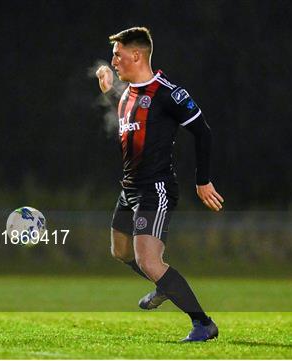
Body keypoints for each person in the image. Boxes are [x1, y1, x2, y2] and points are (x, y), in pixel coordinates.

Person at [95, 27, 224, 342]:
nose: (113, 61)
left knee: (149, 260)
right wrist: (107, 90)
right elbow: (135, 123)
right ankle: (165, 284)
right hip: (129, 188)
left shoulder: (168, 92)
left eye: (118, 55)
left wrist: (203, 180)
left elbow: (203, 132)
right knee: (121, 251)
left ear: (136, 55)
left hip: (156, 188)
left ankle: (202, 323)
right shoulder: (127, 94)